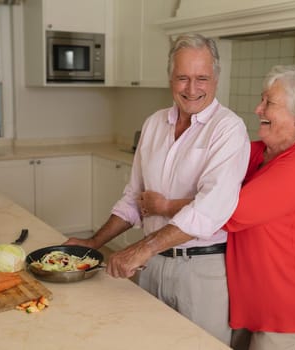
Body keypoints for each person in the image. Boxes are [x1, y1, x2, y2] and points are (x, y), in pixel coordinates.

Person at [64, 33, 250, 345]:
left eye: (201, 78)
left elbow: (208, 210)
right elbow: (132, 198)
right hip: (152, 267)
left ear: (216, 78)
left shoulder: (228, 129)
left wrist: (142, 248)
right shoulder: (153, 125)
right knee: (144, 342)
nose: (192, 89)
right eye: (183, 78)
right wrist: (94, 242)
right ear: (170, 78)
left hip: (201, 271)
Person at [222, 64, 295, 350]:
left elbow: (232, 213)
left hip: (287, 302)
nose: (258, 108)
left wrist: (167, 204)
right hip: (254, 296)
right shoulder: (259, 151)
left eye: (269, 102)